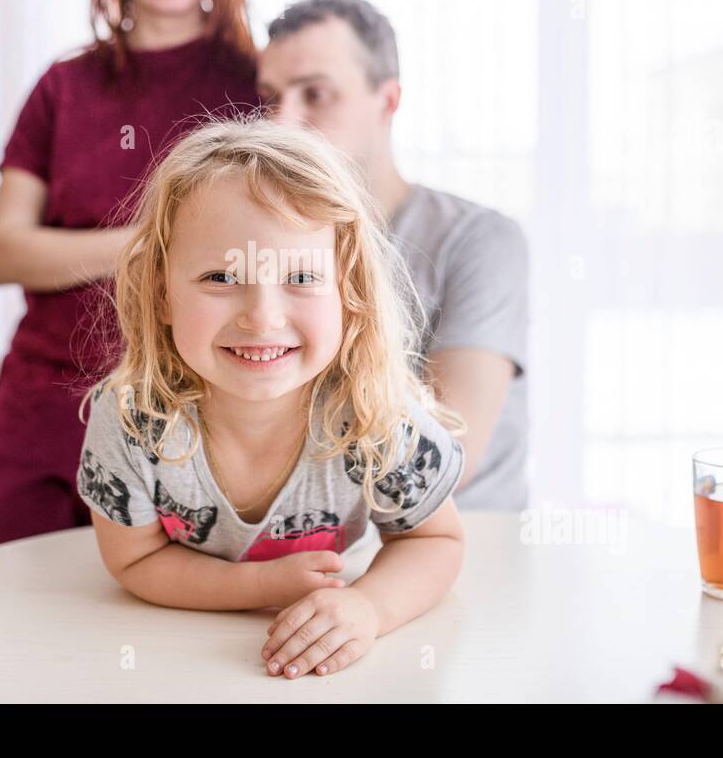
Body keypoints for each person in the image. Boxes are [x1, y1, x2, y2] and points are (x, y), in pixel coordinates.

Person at [0, 0, 258, 559]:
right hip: (41, 408)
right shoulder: (64, 86)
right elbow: (4, 251)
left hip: (189, 415)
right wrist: (153, 243)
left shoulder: (255, 86)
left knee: (154, 636)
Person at [76, 119, 466, 680]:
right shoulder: (135, 418)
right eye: (220, 276)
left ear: (348, 292)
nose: (262, 316)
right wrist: (257, 586)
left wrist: (369, 607)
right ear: (162, 294)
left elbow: (436, 540)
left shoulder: (374, 413)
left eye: (302, 276)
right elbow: (133, 558)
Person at [258, 0, 530, 510]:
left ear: (387, 101)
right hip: (329, 556)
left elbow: (447, 454)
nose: (281, 123)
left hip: (472, 552)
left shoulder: (480, 241)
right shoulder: (266, 247)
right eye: (271, 97)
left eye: (315, 94)